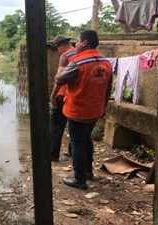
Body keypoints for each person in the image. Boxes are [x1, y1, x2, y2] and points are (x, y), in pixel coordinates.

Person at [53, 30, 113, 190]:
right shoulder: (106, 63)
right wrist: (103, 106)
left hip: (78, 111)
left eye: (78, 41)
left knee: (78, 144)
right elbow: (108, 89)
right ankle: (88, 172)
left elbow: (59, 80)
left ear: (85, 42)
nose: (76, 44)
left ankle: (80, 179)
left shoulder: (78, 62)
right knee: (86, 140)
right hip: (95, 111)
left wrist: (60, 68)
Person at [50, 35, 77, 162]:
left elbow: (59, 79)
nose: (57, 51)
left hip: (62, 94)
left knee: (56, 125)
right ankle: (72, 152)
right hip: (74, 95)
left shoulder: (65, 56)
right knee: (74, 125)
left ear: (62, 45)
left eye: (57, 48)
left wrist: (53, 95)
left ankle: (52, 155)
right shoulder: (79, 54)